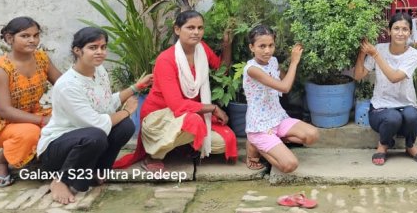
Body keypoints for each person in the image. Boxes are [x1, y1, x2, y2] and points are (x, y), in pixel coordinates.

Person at [37, 27, 152, 205]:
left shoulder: (99, 72)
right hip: (56, 150)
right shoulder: (68, 85)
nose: (100, 52)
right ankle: (60, 180)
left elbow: (107, 104)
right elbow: (97, 123)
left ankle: (96, 172)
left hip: (86, 140)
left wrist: (136, 88)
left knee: (125, 126)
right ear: (77, 50)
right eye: (93, 47)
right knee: (96, 134)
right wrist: (127, 111)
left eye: (103, 47)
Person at [114, 11, 238, 171]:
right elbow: (176, 105)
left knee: (224, 142)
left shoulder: (202, 50)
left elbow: (222, 70)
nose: (196, 32)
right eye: (190, 27)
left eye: (200, 28)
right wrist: (213, 108)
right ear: (177, 29)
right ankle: (154, 154)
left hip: (187, 115)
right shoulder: (166, 59)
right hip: (158, 118)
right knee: (194, 122)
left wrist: (227, 45)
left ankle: (179, 146)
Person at [0, 17, 61, 188]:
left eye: (36, 35)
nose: (32, 40)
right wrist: (43, 121)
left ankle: (36, 159)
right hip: (0, 123)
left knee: (68, 120)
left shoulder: (41, 58)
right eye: (25, 36)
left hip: (31, 114)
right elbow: (4, 111)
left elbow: (62, 84)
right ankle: (1, 160)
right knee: (30, 132)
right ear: (9, 38)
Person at [353, 13, 417, 166]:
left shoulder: (413, 55)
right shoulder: (380, 48)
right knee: (393, 117)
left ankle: (410, 146)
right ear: (389, 31)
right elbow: (358, 75)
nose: (400, 33)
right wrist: (363, 52)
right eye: (396, 28)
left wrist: (375, 54)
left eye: (405, 29)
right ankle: (383, 145)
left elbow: (394, 77)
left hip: (406, 105)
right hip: (381, 108)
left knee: (412, 115)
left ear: (410, 33)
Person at [242, 25, 318, 174]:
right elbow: (284, 87)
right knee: (290, 165)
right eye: (262, 46)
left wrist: (293, 56)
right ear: (251, 47)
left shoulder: (273, 61)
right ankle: (256, 144)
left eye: (271, 45)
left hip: (277, 117)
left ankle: (273, 140)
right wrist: (294, 62)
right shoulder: (252, 70)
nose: (267, 51)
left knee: (312, 135)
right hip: (260, 125)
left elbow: (282, 78)